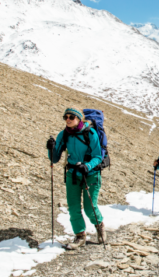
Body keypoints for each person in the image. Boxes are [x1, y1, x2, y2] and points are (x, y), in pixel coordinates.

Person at [46, 107, 105, 250]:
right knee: (73, 208)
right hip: (72, 174)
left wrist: (87, 166)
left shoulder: (90, 133)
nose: (68, 119)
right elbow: (54, 159)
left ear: (79, 119)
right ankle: (80, 236)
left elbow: (98, 156)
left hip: (90, 174)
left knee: (89, 207)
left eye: (71, 117)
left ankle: (100, 226)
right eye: (65, 117)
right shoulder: (63, 135)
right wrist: (50, 148)